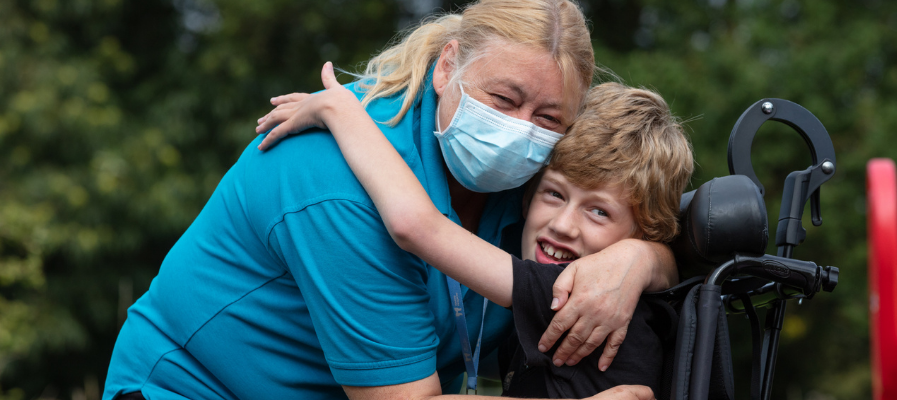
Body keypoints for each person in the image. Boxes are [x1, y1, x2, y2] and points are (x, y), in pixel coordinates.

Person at [103, 1, 678, 399]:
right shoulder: (336, 185)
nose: (520, 130)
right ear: (448, 66)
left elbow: (642, 224)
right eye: (503, 99)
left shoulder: (540, 183)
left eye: (548, 117)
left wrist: (638, 262)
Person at [255, 63, 694, 398]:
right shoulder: (638, 295)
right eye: (555, 194)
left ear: (644, 231)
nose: (563, 225)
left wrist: (342, 112)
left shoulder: (567, 292)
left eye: (598, 212)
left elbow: (419, 226)